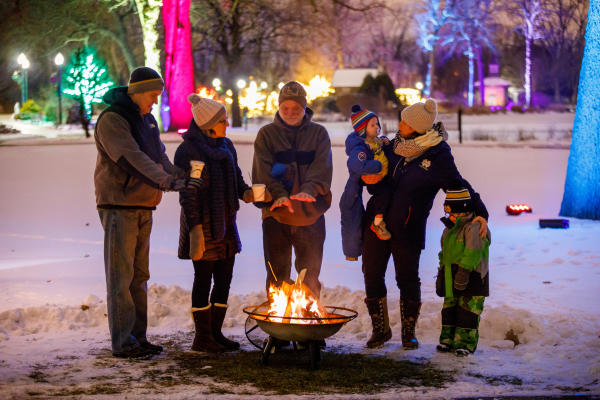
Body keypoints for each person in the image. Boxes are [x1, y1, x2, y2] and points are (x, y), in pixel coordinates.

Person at [361, 98, 489, 349]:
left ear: (418, 128)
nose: (399, 124)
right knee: (372, 274)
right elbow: (375, 176)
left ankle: (408, 332)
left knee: (407, 279)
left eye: (405, 121)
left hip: (408, 227)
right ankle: (380, 330)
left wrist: (481, 211)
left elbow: (458, 184)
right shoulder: (392, 146)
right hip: (377, 223)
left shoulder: (438, 154)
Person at [94, 67, 193, 359]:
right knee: (121, 276)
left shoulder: (147, 120)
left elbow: (158, 157)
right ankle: (123, 342)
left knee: (139, 276)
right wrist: (167, 181)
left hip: (144, 204)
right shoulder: (113, 120)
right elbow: (131, 158)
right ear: (137, 91)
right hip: (119, 206)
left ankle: (137, 337)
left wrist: (180, 175)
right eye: (152, 95)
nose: (155, 101)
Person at [174, 94, 261, 353]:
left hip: (226, 224)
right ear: (207, 124)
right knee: (203, 279)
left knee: (224, 279)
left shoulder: (226, 146)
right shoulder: (188, 151)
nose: (227, 124)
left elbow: (235, 179)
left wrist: (248, 193)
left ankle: (215, 333)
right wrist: (196, 231)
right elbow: (188, 195)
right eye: (222, 120)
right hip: (202, 225)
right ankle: (202, 338)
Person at [252, 81, 333, 300]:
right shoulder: (266, 135)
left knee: (310, 275)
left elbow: (322, 168)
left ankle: (309, 325)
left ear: (304, 108)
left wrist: (309, 189)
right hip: (276, 216)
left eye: (296, 108)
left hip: (311, 215)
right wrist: (279, 194)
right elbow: (262, 171)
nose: (290, 112)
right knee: (277, 274)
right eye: (285, 108)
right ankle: (279, 329)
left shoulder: (318, 134)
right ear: (278, 107)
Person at [436, 188, 491, 356]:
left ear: (463, 211)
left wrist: (464, 272)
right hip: (451, 276)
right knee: (449, 309)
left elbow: (473, 252)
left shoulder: (474, 227)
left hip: (472, 277)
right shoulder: (449, 230)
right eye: (447, 213)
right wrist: (441, 273)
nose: (449, 216)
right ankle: (447, 340)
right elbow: (444, 253)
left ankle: (465, 343)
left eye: (452, 212)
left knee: (467, 311)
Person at [340, 105, 391, 262]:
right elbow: (356, 165)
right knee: (384, 195)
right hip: (364, 184)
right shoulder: (360, 148)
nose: (377, 127)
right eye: (372, 125)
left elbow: (379, 146)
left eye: (377, 124)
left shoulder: (373, 141)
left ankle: (378, 220)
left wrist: (384, 141)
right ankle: (377, 223)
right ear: (363, 129)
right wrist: (378, 166)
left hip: (374, 180)